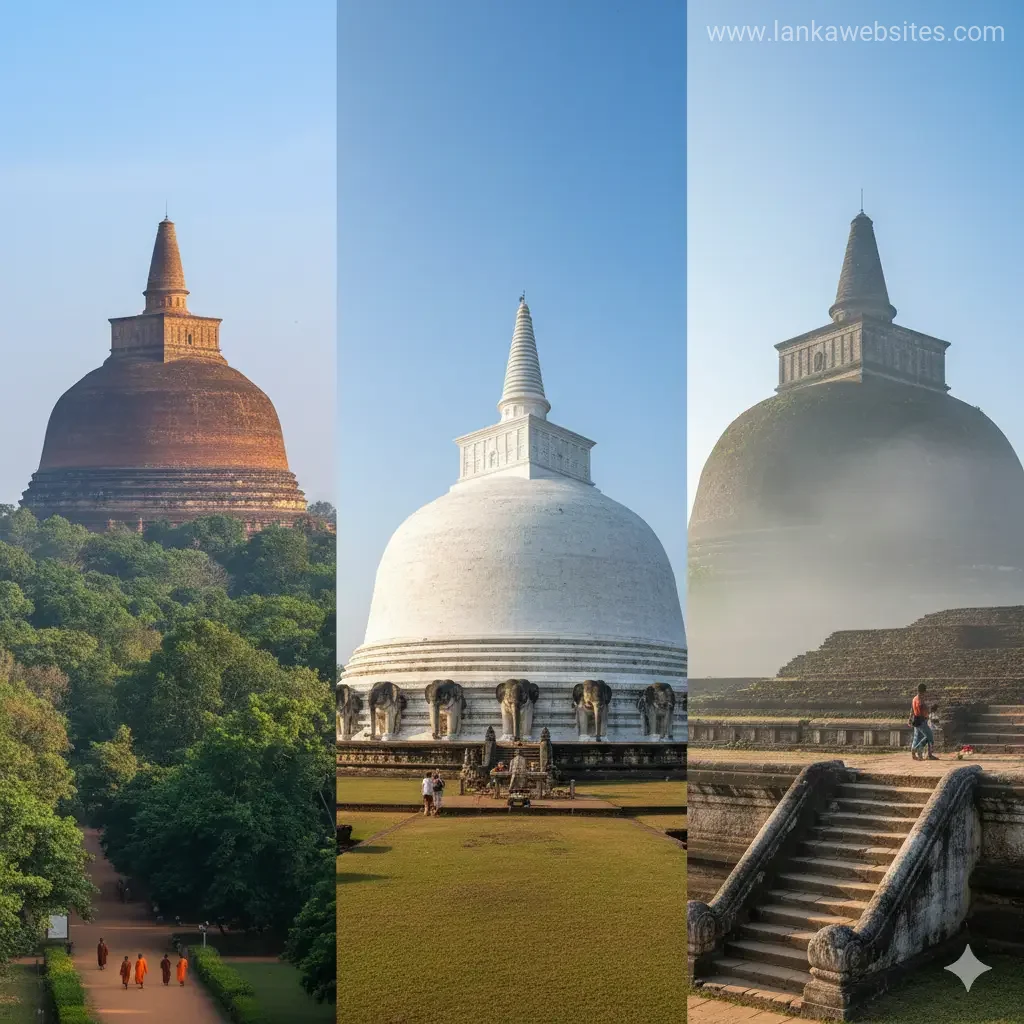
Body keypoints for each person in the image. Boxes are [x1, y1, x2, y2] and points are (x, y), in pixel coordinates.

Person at [911, 683, 939, 761]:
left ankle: (913, 753)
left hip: (916, 720)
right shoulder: (920, 699)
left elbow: (912, 710)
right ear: (924, 691)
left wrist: (910, 719)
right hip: (921, 720)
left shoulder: (914, 698)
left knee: (916, 738)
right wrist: (931, 710)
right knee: (929, 737)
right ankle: (920, 750)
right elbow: (922, 710)